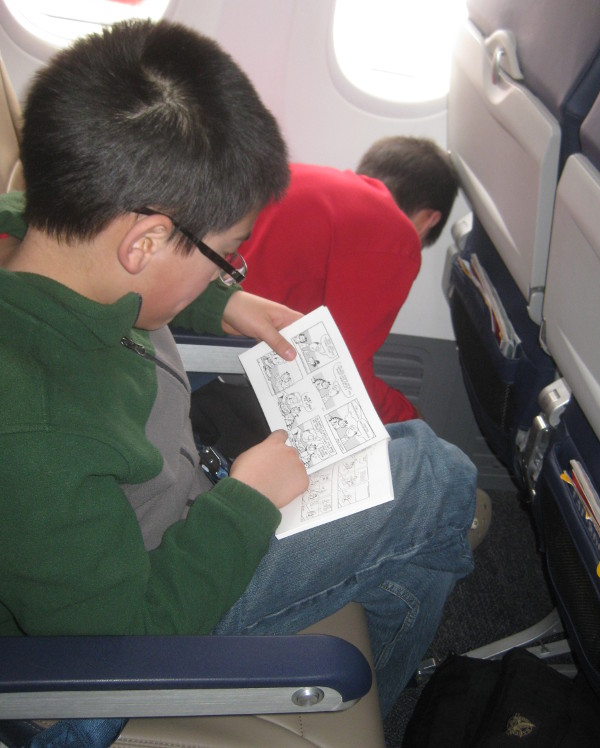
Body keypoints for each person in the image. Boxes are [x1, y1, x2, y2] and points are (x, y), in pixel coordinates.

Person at [0, 18, 476, 724]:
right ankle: (385, 700)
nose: (228, 269)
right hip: (166, 588)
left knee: (404, 467)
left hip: (183, 499)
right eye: (225, 255)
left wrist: (226, 302)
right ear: (146, 242)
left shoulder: (34, 231)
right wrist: (249, 500)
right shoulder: (36, 429)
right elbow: (121, 642)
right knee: (442, 480)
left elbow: (102, 252)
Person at [236, 138, 460, 424]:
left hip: (220, 303)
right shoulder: (396, 234)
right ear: (430, 219)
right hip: (234, 336)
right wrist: (409, 417)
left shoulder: (315, 182)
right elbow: (343, 371)